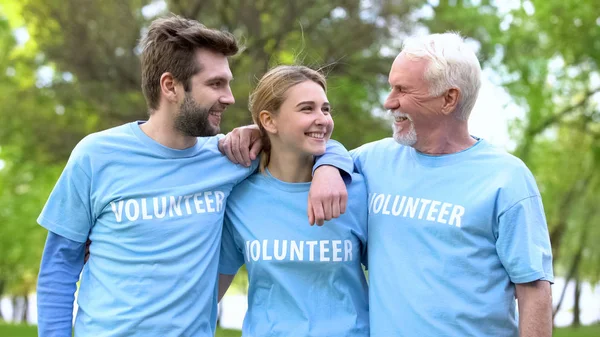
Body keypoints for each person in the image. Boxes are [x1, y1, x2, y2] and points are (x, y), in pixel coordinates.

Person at [220, 32, 554, 337]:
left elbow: (534, 287)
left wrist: (322, 163)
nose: (388, 101)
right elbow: (317, 148)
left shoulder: (506, 178)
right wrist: (267, 138)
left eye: (402, 90)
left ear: (449, 99)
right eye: (391, 87)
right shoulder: (372, 162)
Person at [36, 16, 352, 337]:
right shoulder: (96, 155)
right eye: (215, 84)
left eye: (227, 83)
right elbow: (58, 267)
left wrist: (329, 167)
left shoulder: (232, 156)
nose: (229, 97)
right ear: (170, 86)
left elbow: (309, 137)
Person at [217, 65, 369, 337]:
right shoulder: (240, 199)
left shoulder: (356, 192)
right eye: (307, 109)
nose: (322, 119)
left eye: (325, 109)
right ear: (269, 120)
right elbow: (210, 295)